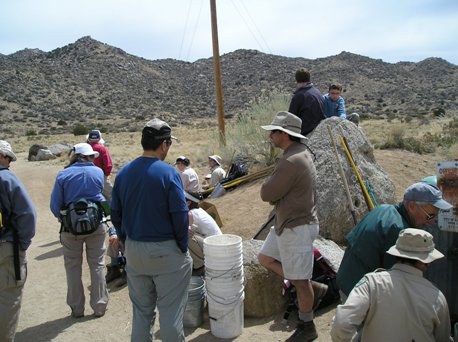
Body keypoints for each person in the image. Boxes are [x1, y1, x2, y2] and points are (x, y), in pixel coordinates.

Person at [110, 118, 192, 341]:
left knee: (142, 313)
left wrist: (126, 241)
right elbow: (179, 215)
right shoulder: (168, 173)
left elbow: (115, 212)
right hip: (166, 253)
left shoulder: (124, 173)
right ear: (164, 144)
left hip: (135, 251)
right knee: (171, 314)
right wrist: (182, 247)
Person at [257, 111, 320, 341]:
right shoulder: (299, 153)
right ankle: (310, 288)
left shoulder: (290, 160)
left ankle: (307, 325)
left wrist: (272, 191)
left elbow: (267, 193)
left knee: (301, 282)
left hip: (296, 226)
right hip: (291, 223)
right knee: (265, 258)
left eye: (273, 132)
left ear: (284, 134)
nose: (270, 136)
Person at [331, 228, 452, 342]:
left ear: (396, 253)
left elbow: (342, 323)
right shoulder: (437, 297)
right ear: (424, 261)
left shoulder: (371, 283)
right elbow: (443, 338)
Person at [336, 182, 453, 300]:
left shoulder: (382, 209)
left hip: (345, 281)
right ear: (412, 207)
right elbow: (397, 279)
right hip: (359, 295)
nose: (432, 222)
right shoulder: (400, 231)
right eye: (430, 216)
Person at [50, 142, 109, 318]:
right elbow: (103, 195)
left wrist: (64, 218)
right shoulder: (98, 172)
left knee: (72, 267)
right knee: (97, 264)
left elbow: (55, 205)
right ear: (88, 156)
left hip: (70, 228)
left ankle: (77, 308)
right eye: (91, 156)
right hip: (96, 225)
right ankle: (99, 306)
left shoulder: (63, 175)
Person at [0, 140, 36, 341]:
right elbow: (28, 215)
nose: (10, 163)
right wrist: (22, 244)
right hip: (6, 247)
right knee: (7, 299)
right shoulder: (6, 179)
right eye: (8, 158)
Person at [185, 192, 222, 271]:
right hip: (218, 242)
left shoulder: (191, 214)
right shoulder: (198, 210)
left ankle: (199, 265)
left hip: (215, 247)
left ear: (188, 203)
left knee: (186, 236)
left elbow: (185, 231)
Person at [288, 69, 325, 136]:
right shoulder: (317, 92)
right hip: (319, 130)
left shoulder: (299, 96)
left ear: (296, 79)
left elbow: (290, 119)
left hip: (304, 133)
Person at [86, 129, 113, 201]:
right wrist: (106, 175)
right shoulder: (102, 149)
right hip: (101, 176)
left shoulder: (85, 148)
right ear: (99, 138)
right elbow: (108, 165)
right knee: (112, 195)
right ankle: (112, 211)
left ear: (89, 138)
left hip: (87, 176)